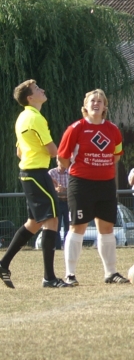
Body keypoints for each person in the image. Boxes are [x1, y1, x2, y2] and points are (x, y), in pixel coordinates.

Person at [0, 80, 67, 288]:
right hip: (36, 173)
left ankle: (3, 263)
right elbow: (53, 151)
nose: (42, 90)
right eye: (37, 89)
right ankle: (49, 278)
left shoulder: (22, 117)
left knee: (34, 222)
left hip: (30, 173)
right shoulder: (36, 118)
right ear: (30, 97)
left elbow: (19, 152)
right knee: (52, 219)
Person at [58, 89, 127, 285]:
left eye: (100, 101)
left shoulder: (113, 129)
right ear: (85, 106)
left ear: (105, 107)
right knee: (77, 226)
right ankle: (70, 274)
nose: (96, 103)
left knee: (107, 227)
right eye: (92, 101)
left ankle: (111, 273)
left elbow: (116, 155)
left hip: (106, 184)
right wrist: (81, 168)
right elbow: (62, 158)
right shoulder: (76, 128)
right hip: (81, 184)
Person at [47, 163, 70, 250]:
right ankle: (57, 247)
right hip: (57, 202)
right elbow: (47, 187)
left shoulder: (70, 172)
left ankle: (67, 246)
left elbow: (74, 186)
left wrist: (65, 189)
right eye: (60, 160)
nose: (62, 163)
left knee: (68, 226)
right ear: (57, 162)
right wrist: (56, 189)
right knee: (57, 225)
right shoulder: (51, 173)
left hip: (68, 202)